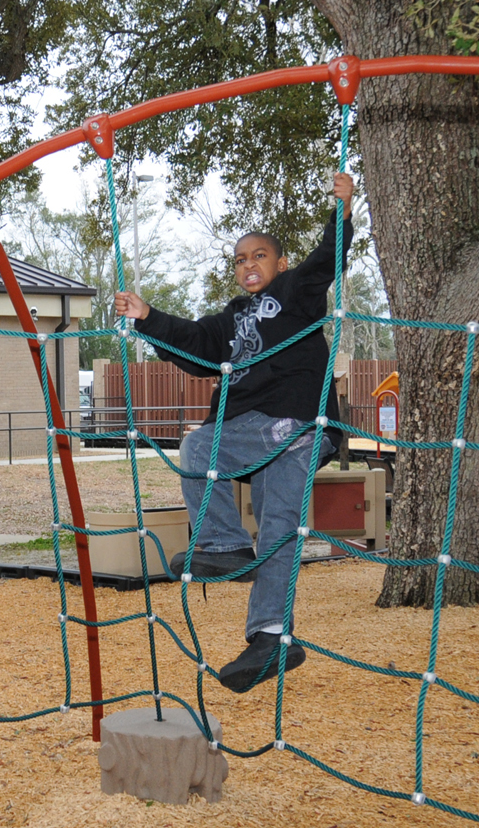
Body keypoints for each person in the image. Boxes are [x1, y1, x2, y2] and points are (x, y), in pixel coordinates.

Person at [112, 172, 355, 694]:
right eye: (241, 259)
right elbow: (196, 345)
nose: (249, 265)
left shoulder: (296, 295)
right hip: (263, 432)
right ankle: (272, 637)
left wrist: (344, 209)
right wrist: (148, 315)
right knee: (278, 530)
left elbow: (324, 264)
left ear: (280, 263)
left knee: (201, 445)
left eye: (260, 256)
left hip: (294, 423)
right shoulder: (229, 320)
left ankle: (224, 544)